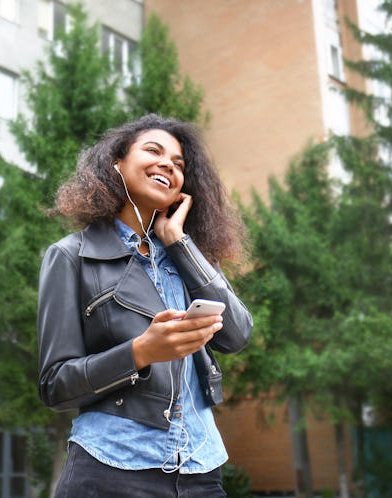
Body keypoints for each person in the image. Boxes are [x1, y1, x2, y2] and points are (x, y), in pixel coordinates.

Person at [37, 114, 253, 497]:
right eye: (153, 150)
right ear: (116, 163)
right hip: (112, 466)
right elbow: (56, 384)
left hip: (201, 472)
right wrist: (140, 352)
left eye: (179, 163)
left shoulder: (190, 257)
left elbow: (236, 335)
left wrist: (178, 242)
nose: (168, 164)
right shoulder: (71, 256)